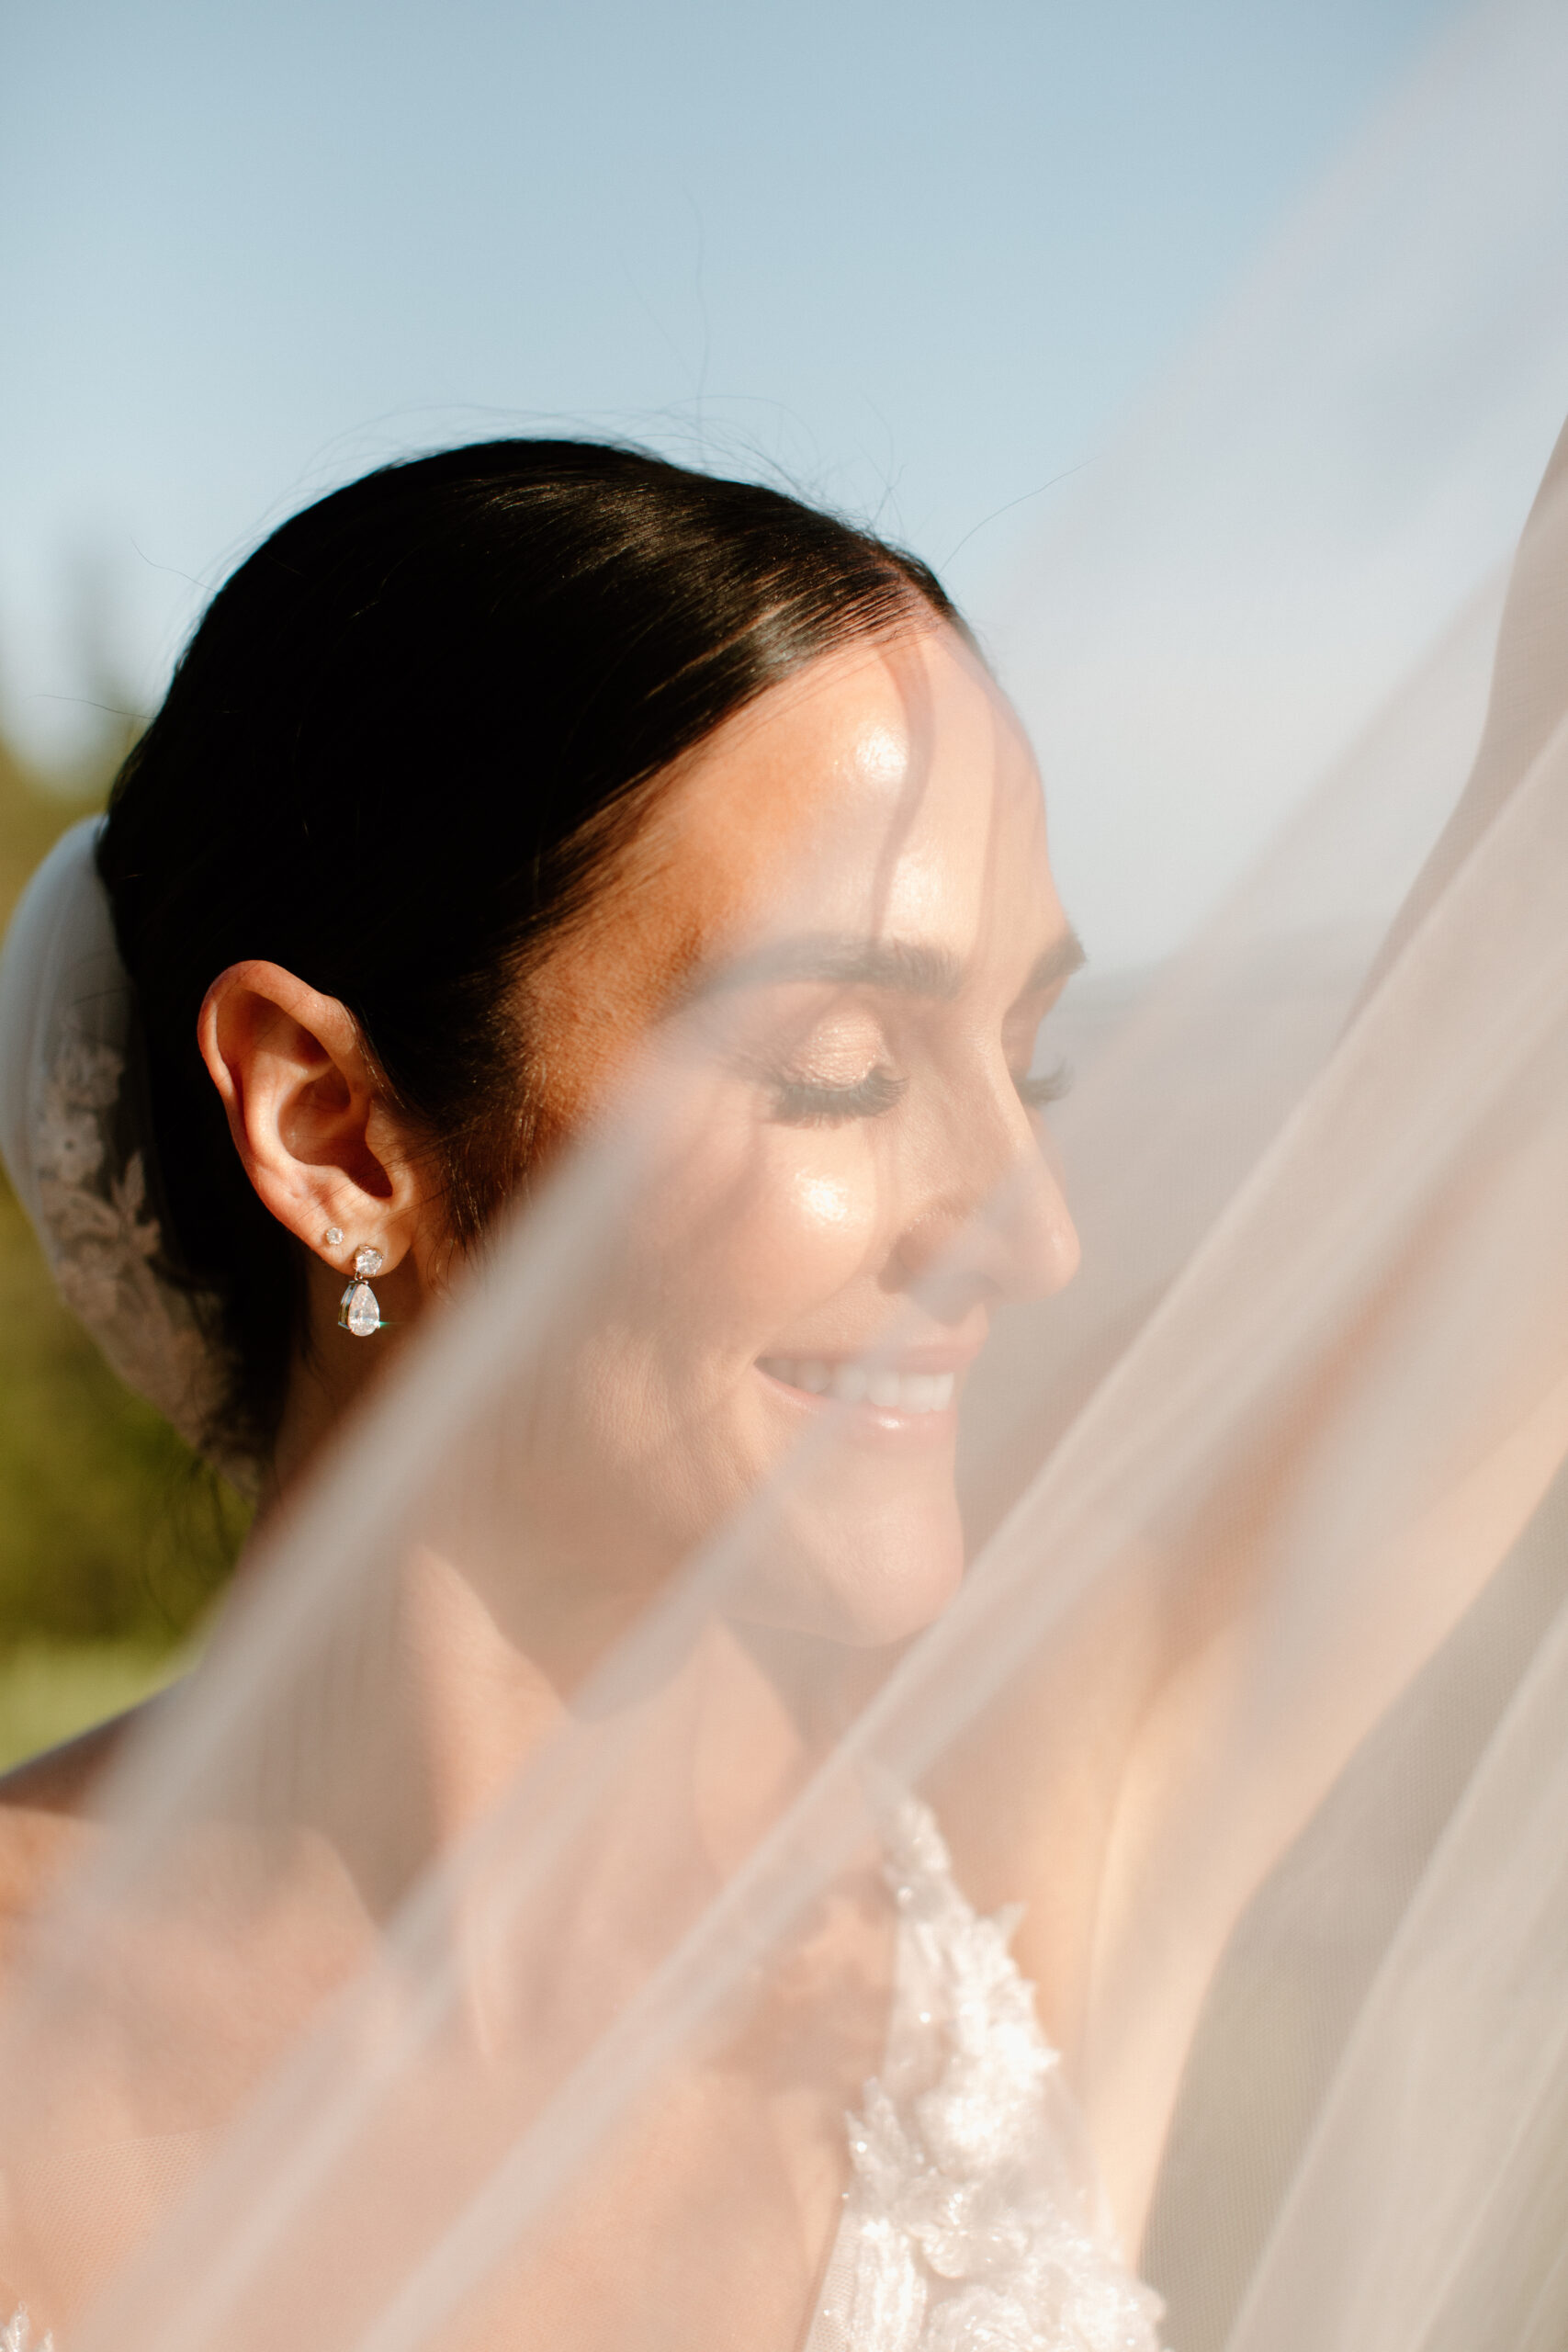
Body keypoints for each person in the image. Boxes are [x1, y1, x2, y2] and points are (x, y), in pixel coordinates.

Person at [3, 412, 1568, 2351]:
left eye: (1030, 1057)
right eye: (841, 1060)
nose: (1029, 1231)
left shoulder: (1027, 1843)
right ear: (337, 1129)